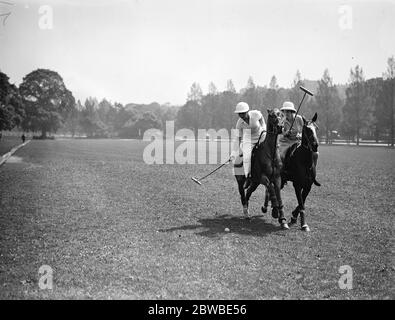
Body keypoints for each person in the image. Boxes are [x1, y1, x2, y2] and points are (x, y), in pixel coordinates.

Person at [230, 102, 266, 189]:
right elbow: (238, 138)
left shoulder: (255, 114)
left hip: (261, 136)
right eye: (240, 114)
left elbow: (261, 118)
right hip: (249, 140)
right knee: (246, 157)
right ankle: (248, 178)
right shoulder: (239, 123)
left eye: (243, 113)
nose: (242, 115)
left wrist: (264, 127)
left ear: (247, 111)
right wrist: (233, 152)